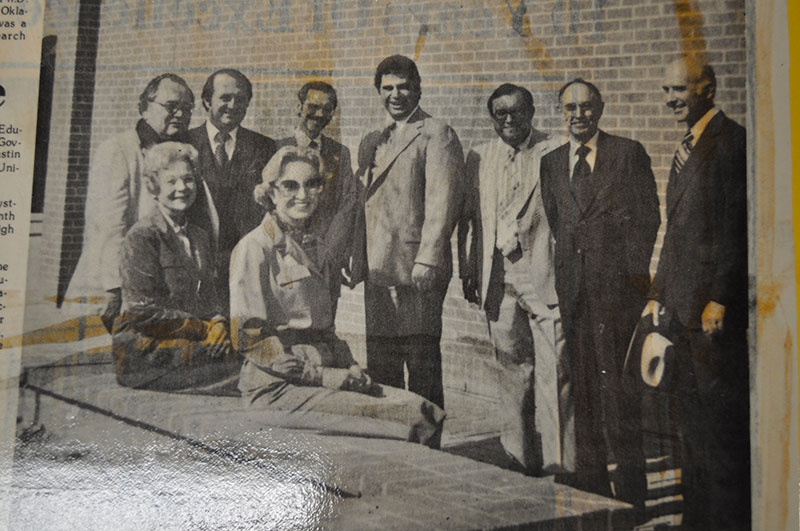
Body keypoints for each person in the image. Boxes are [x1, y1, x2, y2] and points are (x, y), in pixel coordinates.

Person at [229, 146, 445, 447]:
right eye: (290, 185)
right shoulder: (256, 248)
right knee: (410, 417)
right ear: (271, 193)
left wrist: (351, 365)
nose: (303, 194)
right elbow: (249, 338)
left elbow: (326, 329)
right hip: (276, 388)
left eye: (312, 184)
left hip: (321, 374)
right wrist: (322, 376)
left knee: (420, 406)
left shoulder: (318, 249)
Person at [540, 78, 659, 511]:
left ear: (601, 109)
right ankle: (592, 492)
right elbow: (558, 222)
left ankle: (632, 497)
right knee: (584, 394)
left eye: (587, 107)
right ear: (561, 110)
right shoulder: (552, 162)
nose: (578, 115)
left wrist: (625, 280)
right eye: (570, 107)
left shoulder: (627, 154)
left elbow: (647, 221)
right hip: (574, 297)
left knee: (619, 398)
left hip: (617, 300)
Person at [642, 56, 749, 530]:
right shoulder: (687, 144)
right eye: (666, 90)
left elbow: (734, 229)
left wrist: (720, 297)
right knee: (690, 426)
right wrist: (656, 292)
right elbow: (676, 232)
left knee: (719, 429)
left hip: (709, 314)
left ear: (708, 87)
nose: (671, 100)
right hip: (681, 309)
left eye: (680, 90)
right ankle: (696, 520)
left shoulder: (731, 142)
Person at [457, 83, 568, 475]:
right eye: (499, 113)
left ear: (532, 111)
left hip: (542, 274)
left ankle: (560, 465)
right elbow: (469, 220)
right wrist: (468, 267)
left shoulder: (554, 150)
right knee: (510, 370)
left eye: (515, 112)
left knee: (555, 371)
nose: (507, 120)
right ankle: (517, 460)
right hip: (497, 277)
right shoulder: (479, 157)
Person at [354, 55, 465, 408]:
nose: (395, 95)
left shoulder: (437, 133)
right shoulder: (372, 139)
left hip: (417, 271)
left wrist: (429, 259)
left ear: (418, 88)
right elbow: (364, 207)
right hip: (378, 270)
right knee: (382, 363)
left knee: (421, 364)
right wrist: (357, 259)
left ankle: (428, 440)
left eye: (403, 87)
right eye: (387, 88)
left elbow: (442, 202)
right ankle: (394, 439)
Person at [65, 73, 195, 332]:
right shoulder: (119, 149)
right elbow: (109, 226)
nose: (180, 114)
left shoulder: (181, 153)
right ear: (144, 107)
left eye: (187, 108)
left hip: (157, 282)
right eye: (171, 106)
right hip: (118, 284)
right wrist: (114, 289)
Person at [113, 142, 240, 393]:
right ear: (153, 187)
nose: (182, 188)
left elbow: (209, 295)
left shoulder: (199, 235)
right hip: (146, 352)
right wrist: (205, 329)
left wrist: (217, 322)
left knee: (250, 352)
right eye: (171, 181)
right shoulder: (142, 237)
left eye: (189, 180)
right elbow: (143, 313)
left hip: (191, 342)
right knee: (245, 368)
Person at [187, 69, 277, 311]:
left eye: (240, 99)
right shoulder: (185, 143)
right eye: (225, 98)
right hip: (195, 270)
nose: (232, 105)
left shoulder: (264, 147)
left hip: (246, 271)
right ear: (207, 101)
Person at [277, 81, 361, 309]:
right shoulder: (276, 149)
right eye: (313, 106)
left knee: (323, 329)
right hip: (285, 258)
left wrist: (330, 252)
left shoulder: (339, 153)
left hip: (325, 261)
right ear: (299, 107)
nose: (319, 114)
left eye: (327, 109)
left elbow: (348, 203)